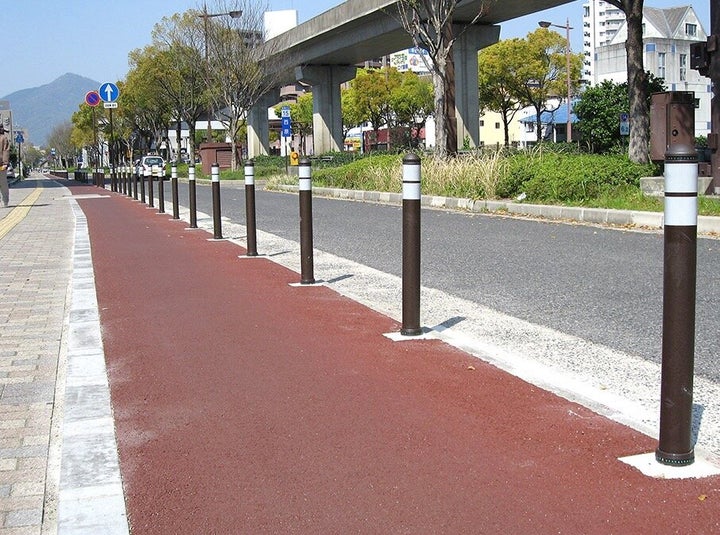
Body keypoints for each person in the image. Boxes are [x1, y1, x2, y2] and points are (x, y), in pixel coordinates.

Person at [0, 125, 9, 207]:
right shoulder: (3, 138)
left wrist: (5, 163)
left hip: (1, 164)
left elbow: (5, 151)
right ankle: (5, 200)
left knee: (3, 183)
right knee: (3, 183)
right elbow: (5, 151)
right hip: (2, 163)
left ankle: (5, 200)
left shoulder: (3, 138)